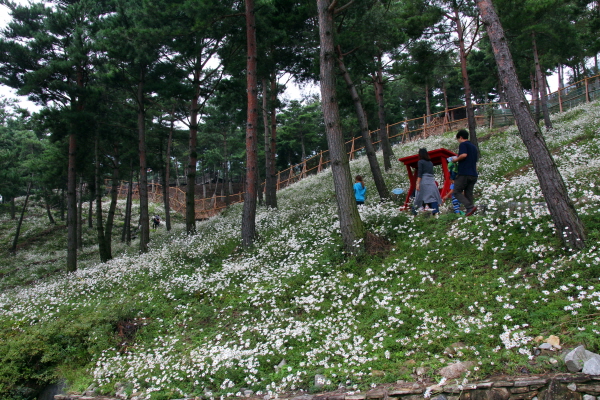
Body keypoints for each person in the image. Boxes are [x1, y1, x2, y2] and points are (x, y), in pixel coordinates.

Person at [450, 129, 478, 216]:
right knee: (468, 193)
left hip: (464, 173)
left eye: (458, 139)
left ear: (461, 137)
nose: (458, 141)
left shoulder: (463, 144)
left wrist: (455, 160)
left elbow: (464, 155)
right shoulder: (474, 147)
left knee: (457, 191)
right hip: (473, 174)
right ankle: (471, 212)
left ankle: (469, 207)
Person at [413, 148, 443, 215]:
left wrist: (417, 183)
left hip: (424, 180)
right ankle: (436, 212)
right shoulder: (430, 163)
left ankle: (415, 213)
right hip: (431, 180)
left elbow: (420, 173)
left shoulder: (420, 162)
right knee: (432, 197)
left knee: (419, 197)